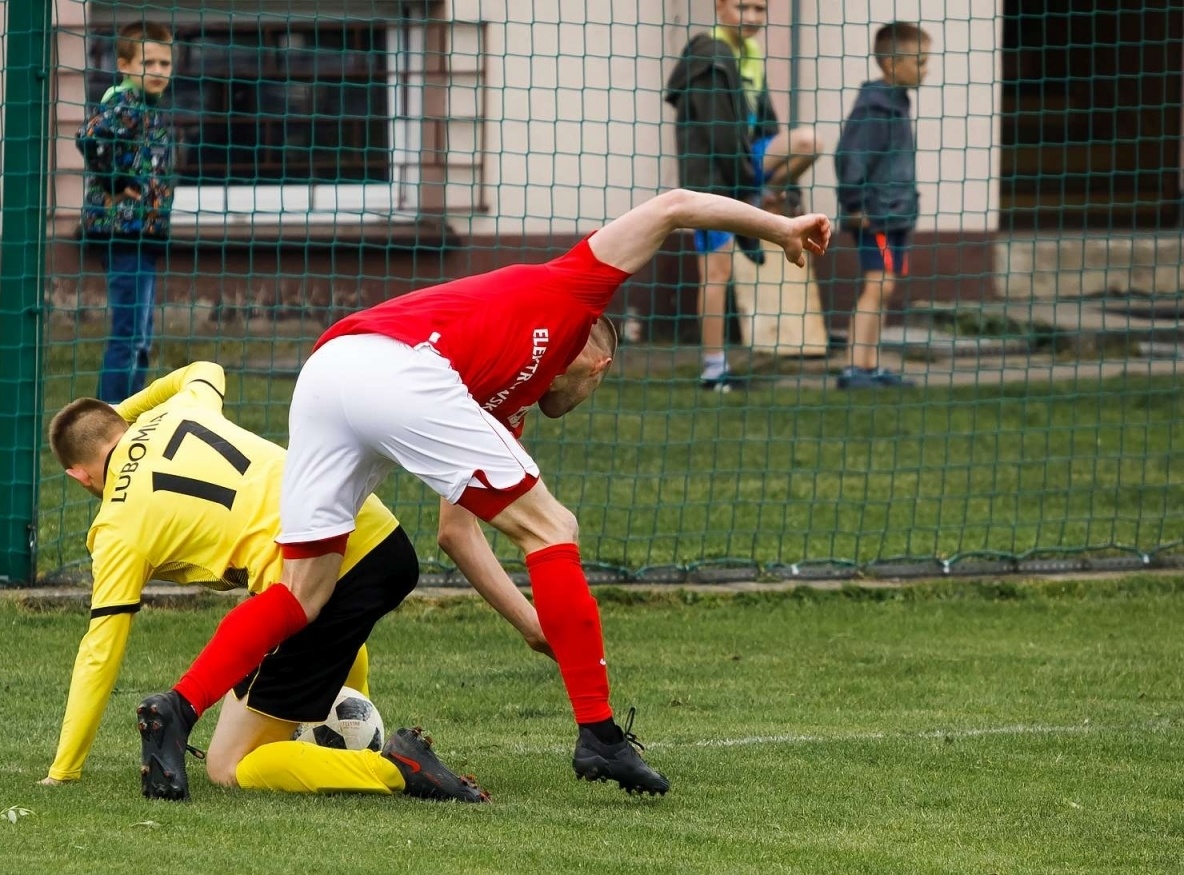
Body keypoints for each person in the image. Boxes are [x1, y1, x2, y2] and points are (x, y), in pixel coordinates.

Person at [133, 190, 833, 801]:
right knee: (554, 523)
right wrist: (780, 228)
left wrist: (533, 623)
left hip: (329, 372)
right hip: (393, 365)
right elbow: (674, 206)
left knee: (304, 592)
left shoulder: (502, 405)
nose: (588, 396)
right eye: (597, 384)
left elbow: (457, 533)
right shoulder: (574, 290)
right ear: (600, 359)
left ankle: (177, 709)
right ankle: (598, 734)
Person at [41, 361, 487, 803]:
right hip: (379, 533)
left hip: (322, 578)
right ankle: (352, 722)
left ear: (78, 474)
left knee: (230, 764)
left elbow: (99, 652)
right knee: (319, 630)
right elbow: (205, 368)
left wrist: (64, 770)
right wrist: (126, 412)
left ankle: (396, 770)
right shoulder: (182, 409)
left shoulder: (115, 527)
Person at [665, 0, 823, 392]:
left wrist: (770, 187)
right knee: (716, 273)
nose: (752, 17)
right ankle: (714, 369)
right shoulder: (709, 55)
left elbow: (766, 121)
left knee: (807, 142)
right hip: (713, 176)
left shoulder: (750, 53)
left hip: (745, 165)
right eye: (742, 6)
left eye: (759, 8)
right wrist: (743, 185)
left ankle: (761, 200)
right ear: (720, 8)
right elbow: (718, 137)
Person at [78, 21, 177, 403]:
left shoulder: (147, 107)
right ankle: (110, 418)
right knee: (129, 334)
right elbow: (89, 136)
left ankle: (128, 416)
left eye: (164, 63)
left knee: (140, 334)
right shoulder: (127, 104)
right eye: (147, 62)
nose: (157, 71)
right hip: (124, 231)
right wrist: (116, 183)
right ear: (124, 65)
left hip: (144, 232)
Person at [835, 22, 929, 389]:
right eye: (919, 62)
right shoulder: (873, 108)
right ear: (891, 64)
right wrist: (856, 204)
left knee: (885, 287)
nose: (925, 69)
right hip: (875, 216)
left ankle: (870, 365)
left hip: (897, 213)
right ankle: (853, 368)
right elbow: (850, 157)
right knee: (876, 286)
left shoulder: (896, 103)